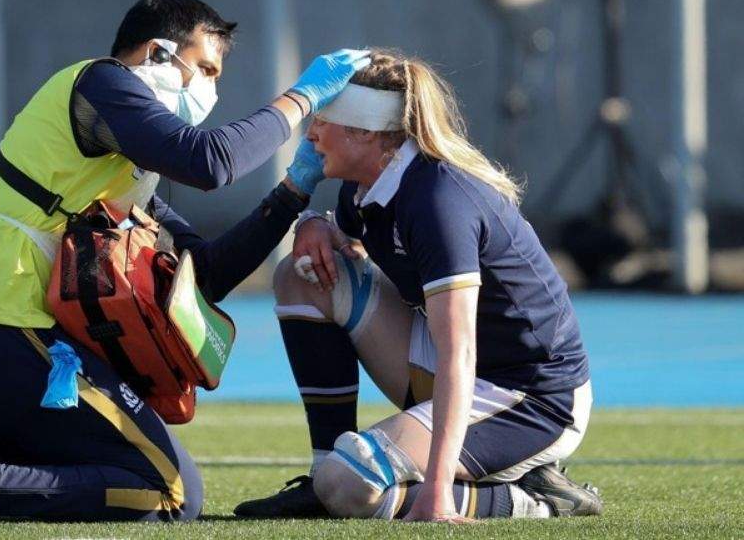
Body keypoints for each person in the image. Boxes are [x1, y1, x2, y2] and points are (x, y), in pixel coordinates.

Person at [0, 0, 367, 523]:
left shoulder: (126, 167)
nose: (211, 89)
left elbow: (207, 276)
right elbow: (210, 162)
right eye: (203, 68)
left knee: (149, 476)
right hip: (1, 328)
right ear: (156, 52)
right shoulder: (100, 82)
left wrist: (294, 190)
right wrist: (303, 97)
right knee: (170, 493)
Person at [234, 50, 603, 522]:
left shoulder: (438, 200)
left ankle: (535, 501)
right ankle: (322, 467)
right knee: (300, 275)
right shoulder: (366, 185)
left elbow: (459, 352)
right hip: (465, 374)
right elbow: (352, 242)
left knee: (349, 484)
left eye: (323, 119)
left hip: (532, 399)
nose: (311, 134)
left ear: (365, 131)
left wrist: (436, 489)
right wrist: (313, 224)